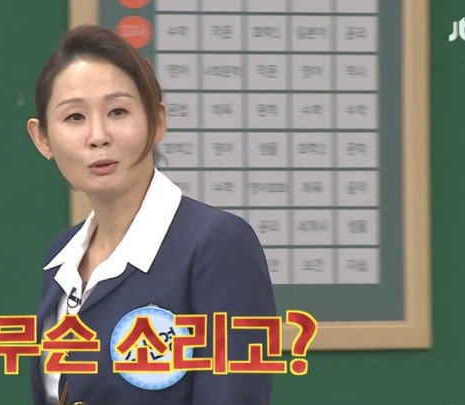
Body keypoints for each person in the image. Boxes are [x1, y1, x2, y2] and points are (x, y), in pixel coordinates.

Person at [26, 24, 277, 405]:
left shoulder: (217, 244)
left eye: (118, 111)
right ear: (42, 138)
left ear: (158, 121)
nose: (98, 135)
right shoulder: (63, 258)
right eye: (75, 117)